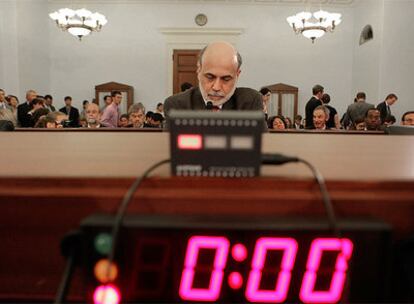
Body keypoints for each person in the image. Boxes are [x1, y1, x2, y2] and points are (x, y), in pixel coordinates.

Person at [164, 41, 262, 115]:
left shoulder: (250, 101)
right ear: (198, 70)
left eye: (226, 79)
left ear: (237, 75)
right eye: (210, 77)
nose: (216, 87)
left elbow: (261, 141)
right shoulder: (177, 105)